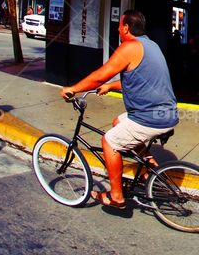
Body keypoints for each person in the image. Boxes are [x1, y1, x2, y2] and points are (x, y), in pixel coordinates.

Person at [60, 10, 179, 208]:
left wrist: (73, 89)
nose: (117, 28)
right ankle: (150, 168)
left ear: (126, 28)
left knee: (110, 141)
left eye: (119, 25)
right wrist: (111, 86)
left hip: (150, 117)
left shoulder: (129, 47)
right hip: (165, 113)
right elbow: (139, 81)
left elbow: (100, 75)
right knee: (118, 123)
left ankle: (116, 197)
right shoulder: (151, 46)